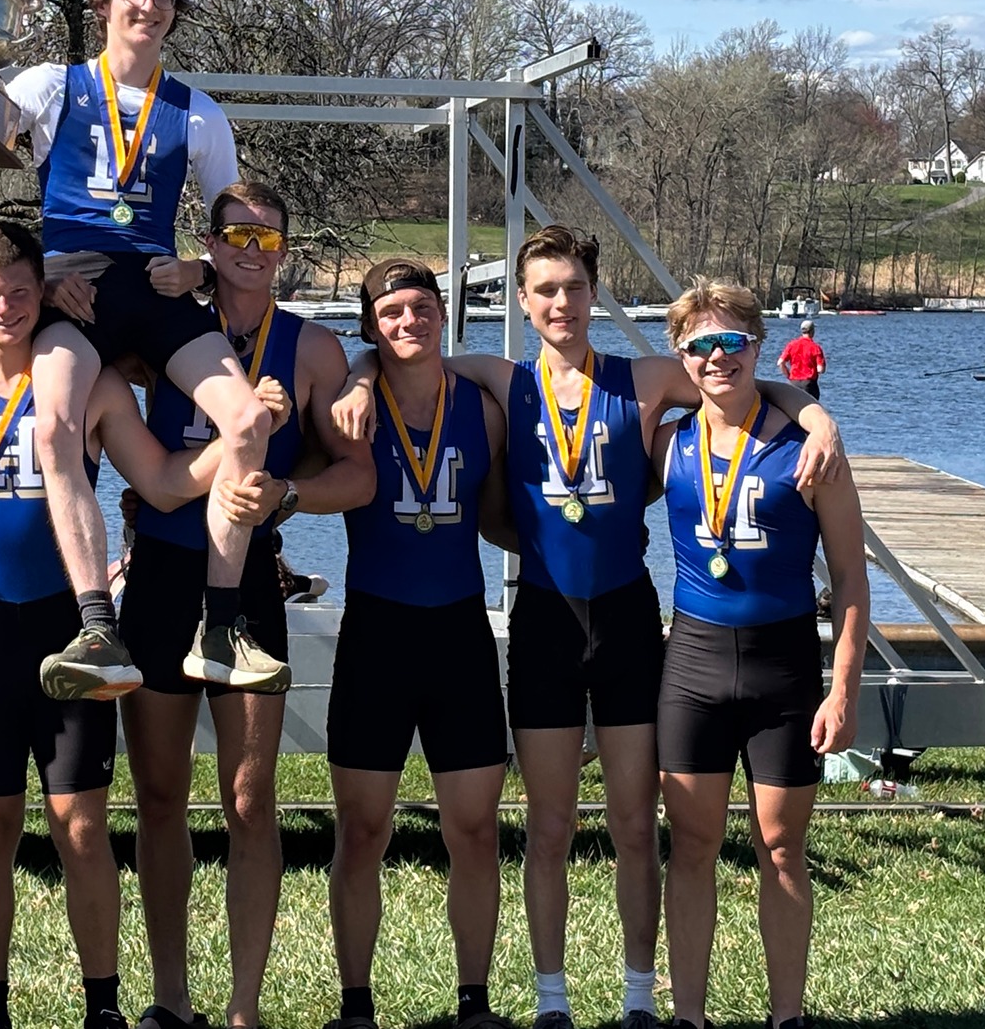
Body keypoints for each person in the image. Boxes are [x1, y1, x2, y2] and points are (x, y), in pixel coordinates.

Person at [330, 227, 843, 1029]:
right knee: (550, 824)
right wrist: (360, 376)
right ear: (524, 303)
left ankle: (642, 999)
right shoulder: (502, 379)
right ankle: (551, 999)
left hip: (627, 617)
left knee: (638, 821)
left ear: (594, 291)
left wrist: (815, 417)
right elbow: (394, 357)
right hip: (543, 620)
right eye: (544, 290)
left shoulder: (642, 381)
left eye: (573, 286)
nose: (560, 302)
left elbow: (740, 378)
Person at [0, 220, 254, 1029]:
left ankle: (103, 1005)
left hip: (73, 628)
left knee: (84, 825)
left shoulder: (92, 383)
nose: (5, 312)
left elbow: (165, 483)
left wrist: (239, 436)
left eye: (21, 294)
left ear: (47, 290)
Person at [0, 0, 276, 702]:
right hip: (74, 293)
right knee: (53, 428)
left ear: (176, 9)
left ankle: (220, 625)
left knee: (246, 422)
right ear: (104, 1)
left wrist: (202, 271)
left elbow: (237, 235)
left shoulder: (199, 114)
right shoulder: (50, 86)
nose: (147, 6)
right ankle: (98, 623)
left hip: (154, 288)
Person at [122, 182, 372, 1029]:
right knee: (158, 795)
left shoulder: (310, 350)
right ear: (208, 240)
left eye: (267, 240)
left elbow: (359, 474)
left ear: (285, 252)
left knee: (248, 798)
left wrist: (289, 497)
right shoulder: (159, 324)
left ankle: (243, 1007)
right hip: (159, 574)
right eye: (235, 235)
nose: (250, 250)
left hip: (251, 587)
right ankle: (169, 995)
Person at [653, 281, 867, 1029]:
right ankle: (687, 1014)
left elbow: (849, 579)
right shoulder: (666, 441)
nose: (718, 359)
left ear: (758, 345)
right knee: (692, 844)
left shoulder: (810, 450)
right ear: (682, 359)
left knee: (781, 845)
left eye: (733, 343)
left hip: (783, 666)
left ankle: (787, 1015)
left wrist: (842, 690)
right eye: (701, 347)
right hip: (693, 664)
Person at [325, 260, 516, 1029]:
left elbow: (500, 518)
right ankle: (356, 1005)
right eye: (393, 311)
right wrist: (359, 378)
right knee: (363, 829)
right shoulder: (348, 409)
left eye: (423, 307)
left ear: (444, 315)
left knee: (472, 828)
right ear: (372, 325)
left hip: (459, 632)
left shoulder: (483, 407)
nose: (411, 321)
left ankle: (474, 1001)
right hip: (376, 631)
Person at [776, 319, 826, 399]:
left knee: (793, 408)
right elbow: (820, 369)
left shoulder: (791, 345)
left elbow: (780, 362)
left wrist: (788, 375)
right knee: (810, 408)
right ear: (812, 331)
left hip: (793, 383)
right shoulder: (815, 347)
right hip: (808, 384)